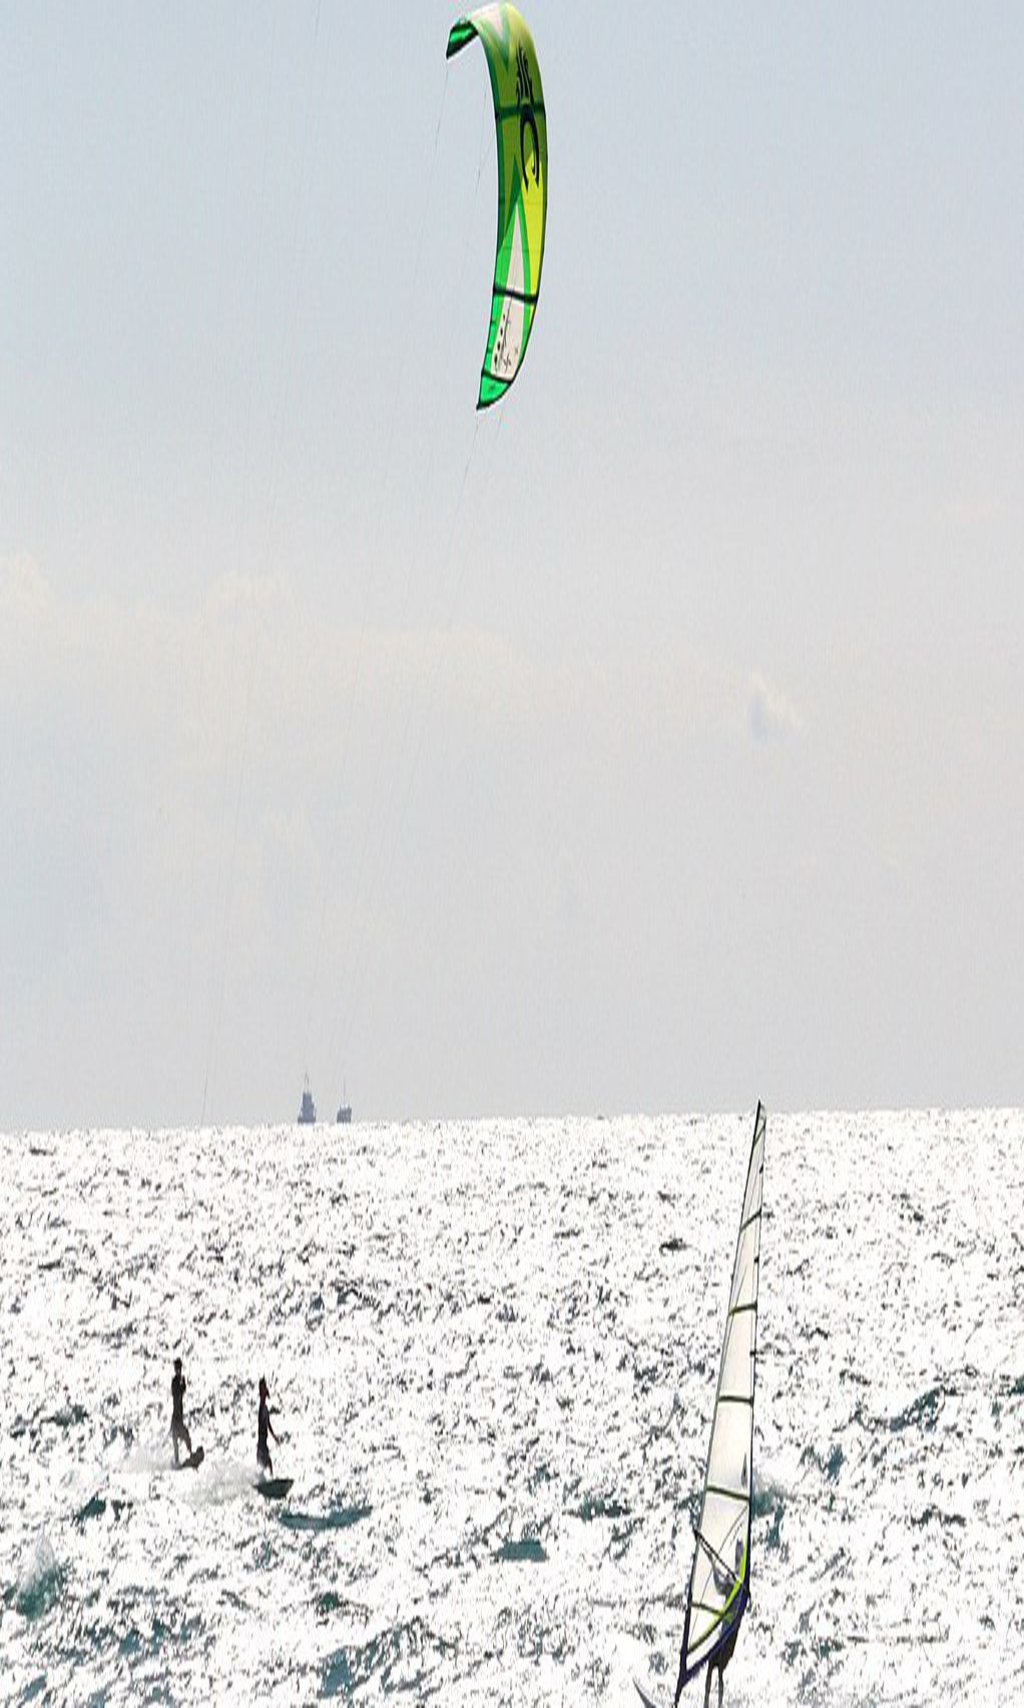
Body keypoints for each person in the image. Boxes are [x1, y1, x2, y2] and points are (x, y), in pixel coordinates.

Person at [171, 1357, 192, 1466]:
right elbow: (176, 1392)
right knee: (176, 1440)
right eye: (177, 1368)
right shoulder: (175, 1381)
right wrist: (181, 1384)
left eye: (180, 1368)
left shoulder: (180, 1380)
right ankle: (176, 1461)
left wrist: (183, 1384)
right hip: (175, 1418)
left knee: (186, 1436)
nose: (179, 1370)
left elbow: (183, 1390)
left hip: (179, 1416)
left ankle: (191, 1455)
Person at [257, 1377, 279, 1476]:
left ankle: (261, 1479)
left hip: (263, 1441)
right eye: (263, 1389)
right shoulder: (261, 1407)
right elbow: (262, 1400)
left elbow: (268, 1424)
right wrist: (264, 1392)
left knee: (264, 1464)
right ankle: (271, 1478)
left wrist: (274, 1436)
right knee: (268, 1462)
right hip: (261, 1441)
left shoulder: (265, 1408)